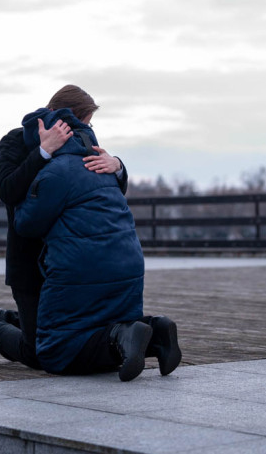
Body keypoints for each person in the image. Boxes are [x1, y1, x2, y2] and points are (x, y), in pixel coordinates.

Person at [0, 85, 128, 369]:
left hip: (66, 263)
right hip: (28, 261)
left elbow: (104, 189)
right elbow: (8, 191)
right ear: (54, 114)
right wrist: (43, 151)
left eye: (86, 125)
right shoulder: (15, 141)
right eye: (75, 122)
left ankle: (10, 319)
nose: (79, 130)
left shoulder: (81, 145)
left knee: (61, 334)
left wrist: (117, 165)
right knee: (38, 351)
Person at [15, 106, 182, 381]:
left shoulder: (55, 173)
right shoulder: (103, 164)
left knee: (55, 352)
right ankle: (156, 333)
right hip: (128, 264)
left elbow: (27, 224)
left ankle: (125, 334)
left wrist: (27, 192)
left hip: (83, 267)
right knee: (104, 326)